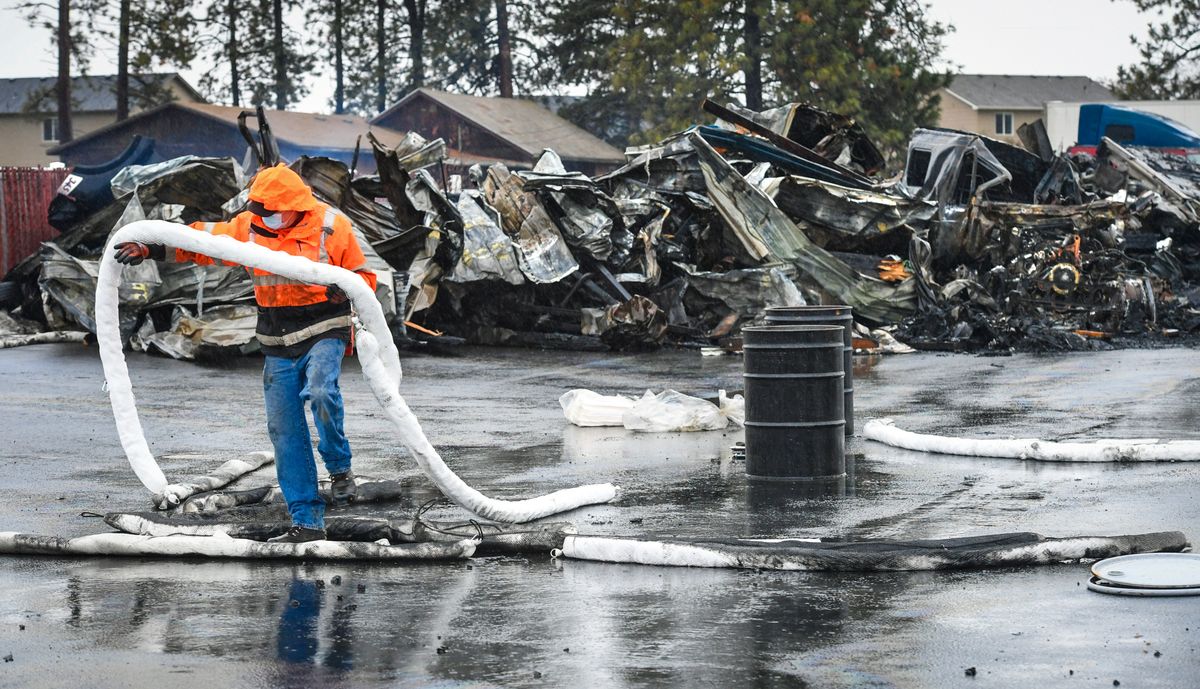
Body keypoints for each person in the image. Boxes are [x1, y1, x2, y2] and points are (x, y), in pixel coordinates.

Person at [114, 164, 377, 543]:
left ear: (293, 206)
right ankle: (306, 521)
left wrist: (344, 289)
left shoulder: (331, 226)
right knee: (285, 430)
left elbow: (364, 279)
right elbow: (201, 242)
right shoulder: (249, 227)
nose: (264, 217)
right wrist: (150, 247)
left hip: (323, 329)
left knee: (321, 392)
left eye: (271, 210)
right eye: (259, 210)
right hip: (276, 338)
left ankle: (339, 468)